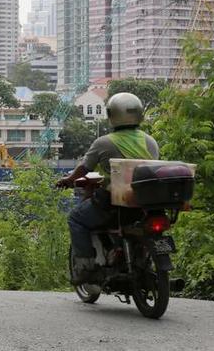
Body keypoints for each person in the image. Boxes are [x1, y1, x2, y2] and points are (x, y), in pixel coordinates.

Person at [56, 92, 159, 284]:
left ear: (112, 115)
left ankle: (86, 268)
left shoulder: (104, 142)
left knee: (76, 219)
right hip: (146, 203)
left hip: (115, 204)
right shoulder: (151, 141)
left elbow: (84, 169)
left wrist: (69, 179)